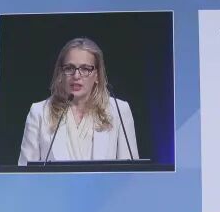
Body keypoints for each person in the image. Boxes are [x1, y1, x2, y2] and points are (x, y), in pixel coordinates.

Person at [17, 37, 139, 165]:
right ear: (60, 73)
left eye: (85, 69)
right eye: (69, 68)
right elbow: (25, 173)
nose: (76, 76)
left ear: (97, 75)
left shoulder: (119, 111)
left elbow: (130, 173)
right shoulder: (39, 113)